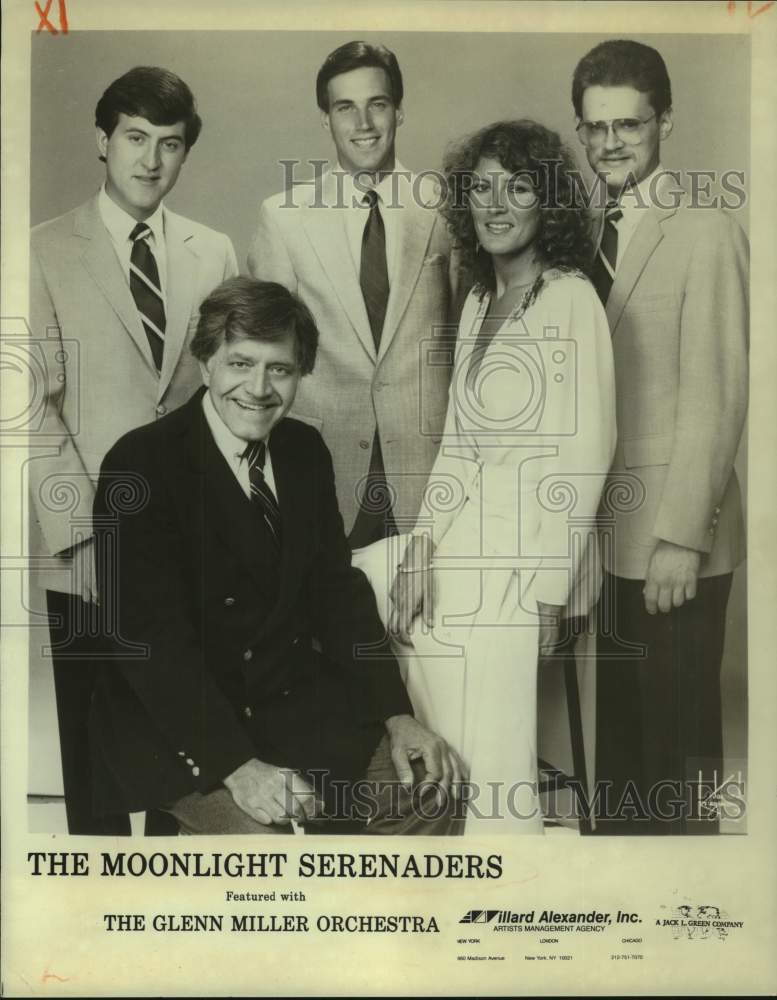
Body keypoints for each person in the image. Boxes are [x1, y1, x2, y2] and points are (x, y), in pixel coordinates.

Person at [90, 277, 464, 835]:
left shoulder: (304, 452)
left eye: (280, 369)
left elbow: (338, 596)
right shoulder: (140, 463)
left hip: (290, 709)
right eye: (241, 364)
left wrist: (397, 713)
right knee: (268, 863)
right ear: (206, 362)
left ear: (299, 376)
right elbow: (150, 643)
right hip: (186, 730)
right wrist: (238, 768)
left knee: (430, 792)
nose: (259, 389)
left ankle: (370, 924)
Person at [388, 120, 617, 834]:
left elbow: (586, 454)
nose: (494, 203)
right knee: (375, 592)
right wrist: (419, 549)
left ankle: (494, 859)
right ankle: (430, 834)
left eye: (515, 187)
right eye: (479, 187)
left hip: (529, 556)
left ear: (545, 202)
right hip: (465, 541)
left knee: (482, 721)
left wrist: (551, 594)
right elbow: (457, 448)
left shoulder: (570, 299)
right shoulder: (479, 302)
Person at [29, 66, 239, 834]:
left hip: (187, 545)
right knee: (97, 765)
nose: (150, 160)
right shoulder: (42, 251)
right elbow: (29, 408)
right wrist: (81, 535)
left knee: (185, 754)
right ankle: (97, 925)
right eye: (135, 138)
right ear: (102, 141)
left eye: (170, 144)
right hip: (81, 538)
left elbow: (231, 394)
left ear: (186, 155)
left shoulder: (213, 251)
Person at [571, 39, 748, 833]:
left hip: (673, 539)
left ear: (664, 123)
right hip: (602, 540)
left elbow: (716, 393)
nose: (609, 143)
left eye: (627, 126)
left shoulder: (705, 229)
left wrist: (681, 535)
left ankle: (687, 921)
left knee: (676, 766)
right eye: (593, 127)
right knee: (619, 766)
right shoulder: (578, 233)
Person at [248, 40, 458, 553]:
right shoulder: (284, 216)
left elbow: (466, 336)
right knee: (329, 624)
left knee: (425, 626)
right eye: (345, 107)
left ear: (399, 110)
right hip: (323, 462)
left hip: (427, 467)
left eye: (377, 104)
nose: (363, 122)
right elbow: (267, 356)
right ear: (326, 120)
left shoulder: (445, 207)